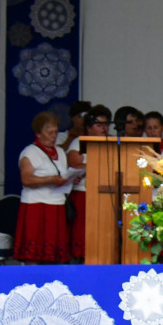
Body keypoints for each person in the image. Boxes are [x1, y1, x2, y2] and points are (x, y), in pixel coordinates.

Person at [14, 111, 70, 263]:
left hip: (56, 204)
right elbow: (26, 179)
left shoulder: (60, 152)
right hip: (37, 205)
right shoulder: (30, 152)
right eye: (49, 132)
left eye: (56, 132)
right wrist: (50, 179)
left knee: (54, 254)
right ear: (38, 133)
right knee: (34, 253)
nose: (54, 136)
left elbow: (63, 173)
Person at [66, 104, 111, 261]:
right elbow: (73, 164)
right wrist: (95, 166)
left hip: (106, 195)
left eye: (106, 124)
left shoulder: (112, 143)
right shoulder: (79, 142)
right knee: (83, 235)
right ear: (89, 127)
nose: (104, 128)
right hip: (83, 194)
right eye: (99, 125)